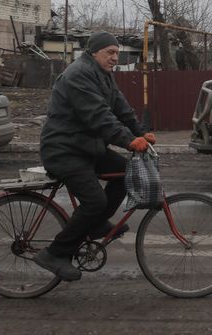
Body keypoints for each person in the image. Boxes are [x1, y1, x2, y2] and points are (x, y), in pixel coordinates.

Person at [33, 31, 156, 282]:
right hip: (64, 150)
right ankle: (55, 254)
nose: (114, 58)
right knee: (95, 202)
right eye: (109, 53)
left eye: (116, 53)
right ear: (94, 52)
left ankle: (96, 225)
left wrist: (142, 132)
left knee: (126, 173)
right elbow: (98, 115)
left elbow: (121, 108)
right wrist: (129, 140)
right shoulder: (79, 74)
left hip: (86, 147)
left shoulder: (104, 75)